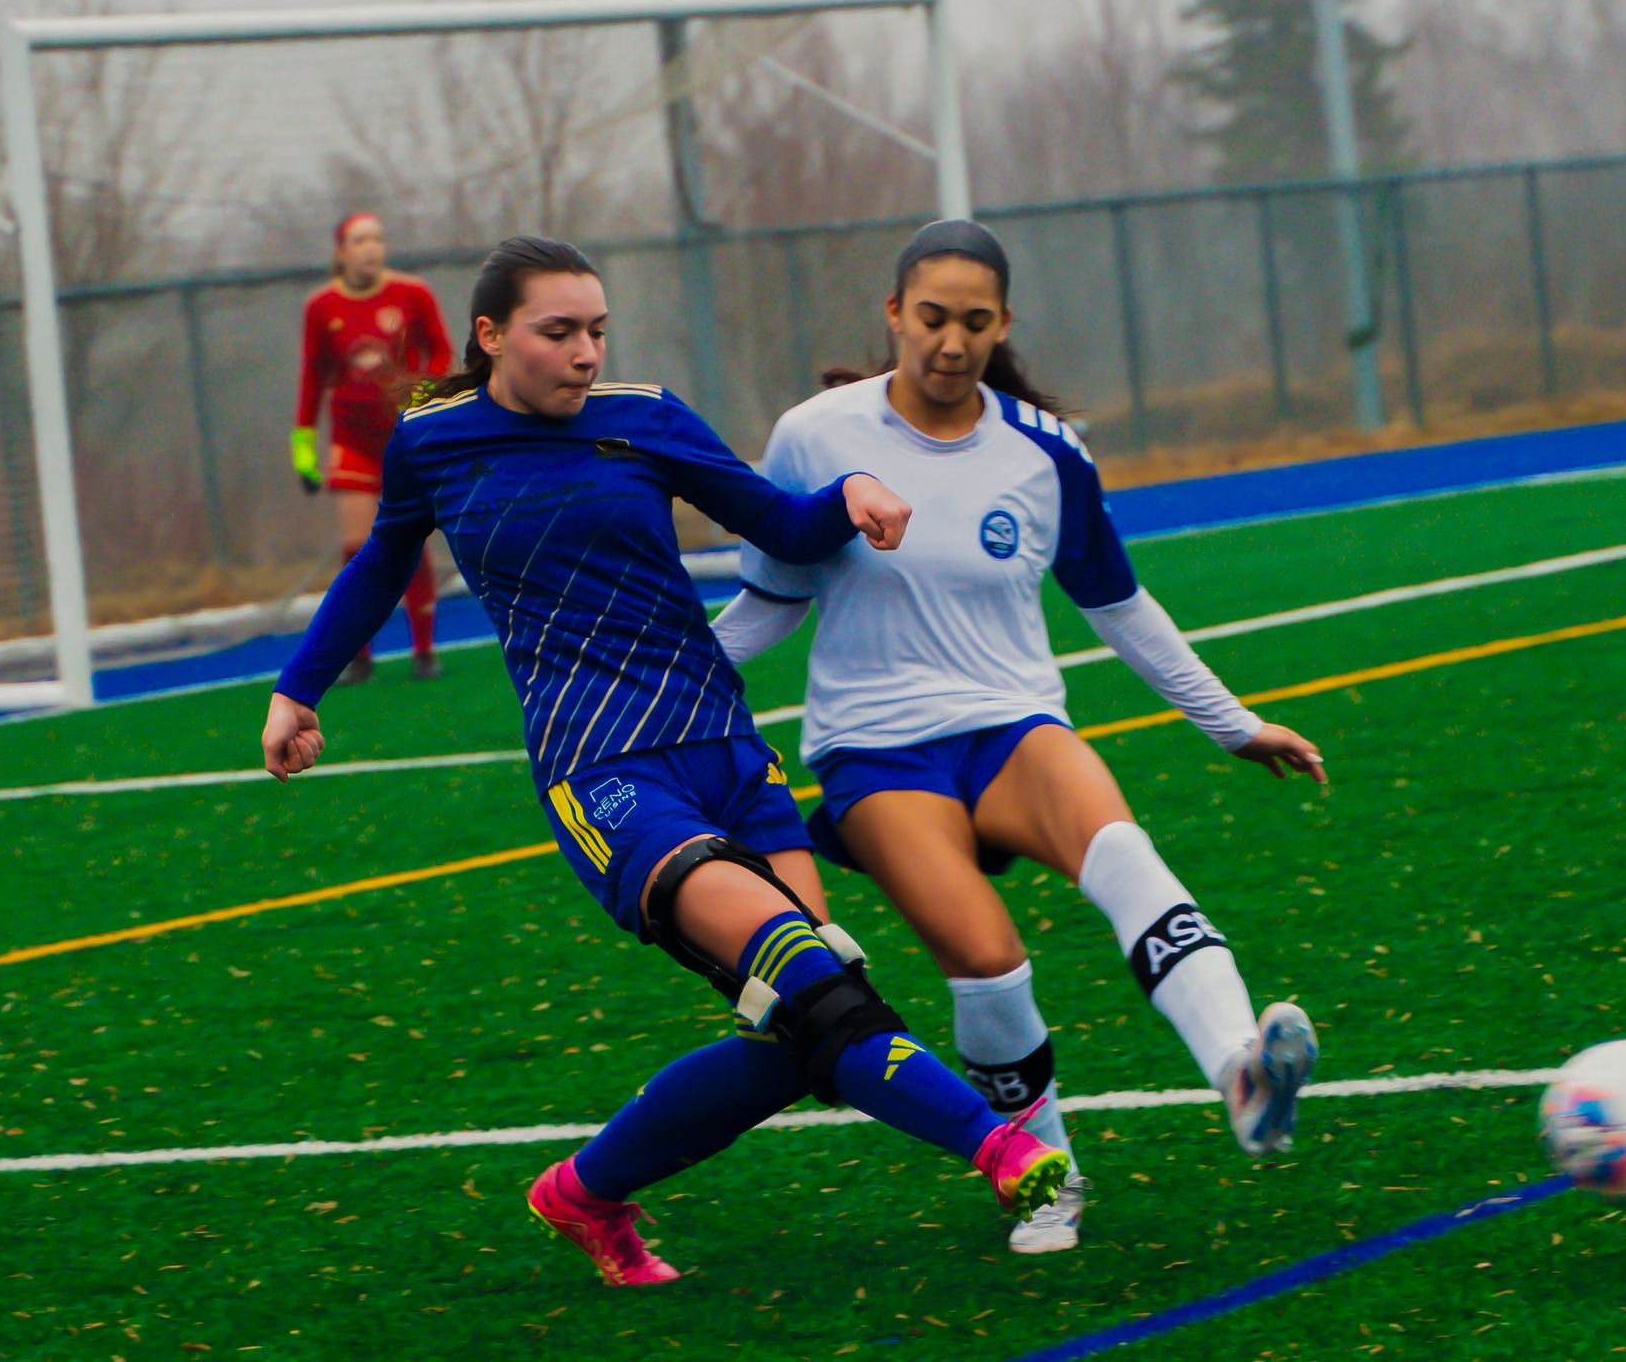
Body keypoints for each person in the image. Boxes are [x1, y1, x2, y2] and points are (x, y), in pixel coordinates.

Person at [261, 235, 1069, 1287]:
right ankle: (1001, 1146)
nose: (585, 352)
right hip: (602, 768)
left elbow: (773, 520)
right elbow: (382, 559)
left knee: (800, 1041)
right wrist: (298, 687)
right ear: (492, 335)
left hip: (726, 753)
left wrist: (850, 496)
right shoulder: (434, 440)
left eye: (597, 329)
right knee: (812, 981)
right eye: (558, 332)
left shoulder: (644, 417)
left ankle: (583, 1193)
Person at [712, 219, 1327, 1255]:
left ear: (1003, 325)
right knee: (988, 962)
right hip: (875, 751)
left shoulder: (1045, 450)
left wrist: (1231, 725)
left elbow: (1118, 604)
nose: (951, 342)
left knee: (1123, 853)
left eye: (975, 322)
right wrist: (658, 682)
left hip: (1011, 725)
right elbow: (773, 598)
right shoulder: (813, 434)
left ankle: (1239, 1070)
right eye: (932, 318)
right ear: (893, 315)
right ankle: (1047, 1177)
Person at [292, 211, 454, 682]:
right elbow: (312, 376)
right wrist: (302, 445)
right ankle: (357, 654)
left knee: (409, 536)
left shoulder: (412, 293)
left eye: (377, 239)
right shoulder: (321, 306)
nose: (371, 248)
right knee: (356, 544)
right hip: (351, 440)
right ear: (341, 251)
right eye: (360, 240)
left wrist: (423, 395)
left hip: (403, 439)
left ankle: (424, 649)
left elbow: (440, 350)